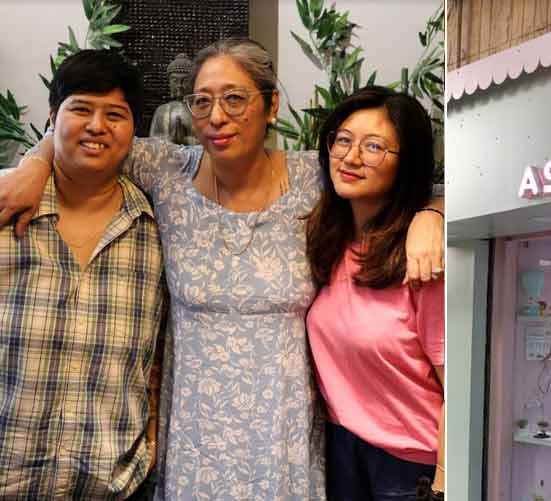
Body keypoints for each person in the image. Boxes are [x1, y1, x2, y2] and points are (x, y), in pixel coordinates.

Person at [0, 38, 444, 500]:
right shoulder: (166, 170)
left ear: (271, 106)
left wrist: (431, 215)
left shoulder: (317, 177)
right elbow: (86, 134)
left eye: (235, 99)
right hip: (195, 437)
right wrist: (32, 164)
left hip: (284, 436)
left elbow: (411, 181)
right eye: (202, 101)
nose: (216, 117)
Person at [0, 50, 166, 499]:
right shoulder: (5, 204)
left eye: (115, 114)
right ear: (53, 116)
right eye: (81, 109)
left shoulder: (155, 228)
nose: (97, 126)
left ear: (134, 129)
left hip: (111, 487)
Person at [305, 86, 445, 500]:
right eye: (343, 140)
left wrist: (443, 481)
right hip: (341, 448)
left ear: (407, 163)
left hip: (409, 464)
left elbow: (460, 387)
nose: (350, 157)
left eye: (374, 147)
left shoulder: (423, 258)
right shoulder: (327, 239)